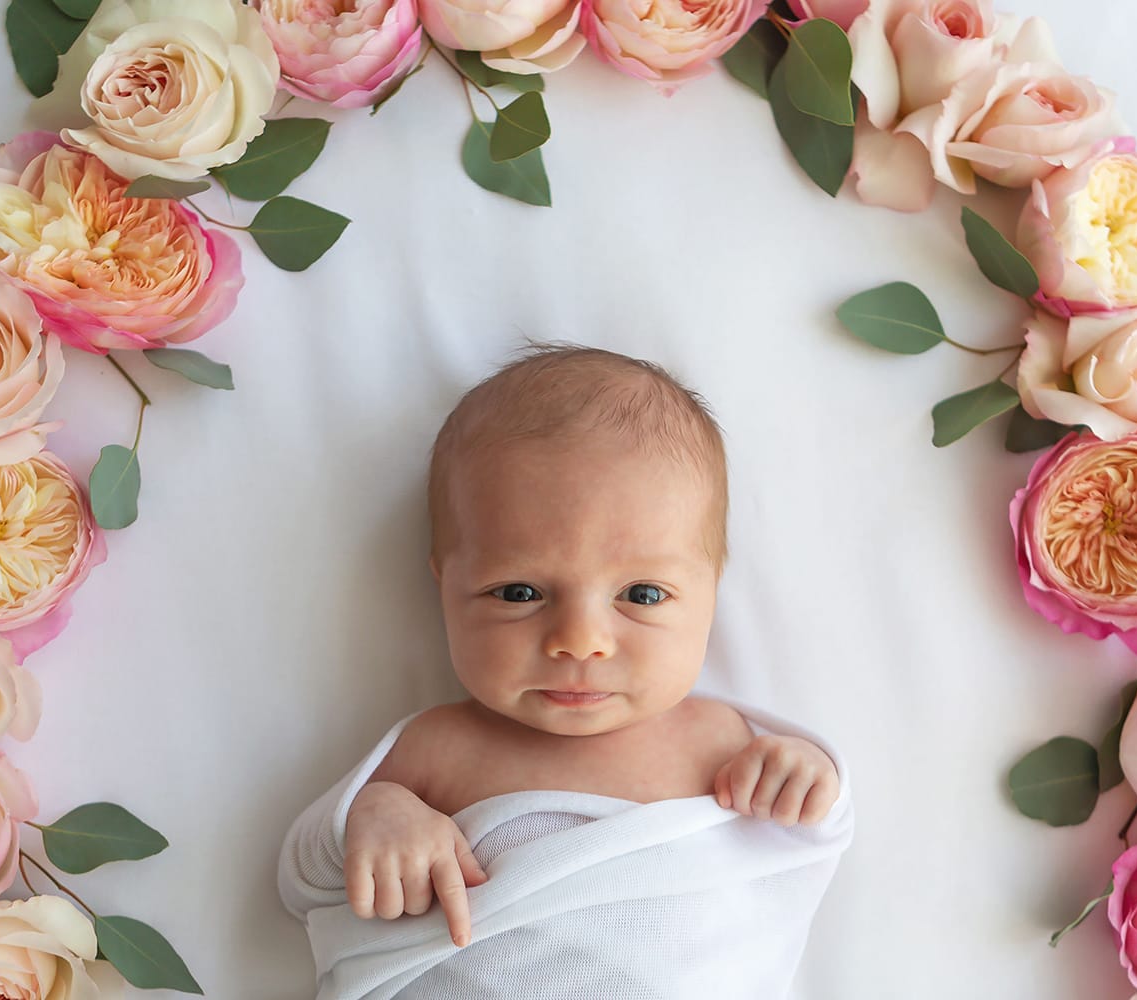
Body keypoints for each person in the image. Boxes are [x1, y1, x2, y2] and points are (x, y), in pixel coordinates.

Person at [279, 344, 852, 999]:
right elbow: (304, 877)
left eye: (641, 595)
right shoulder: (437, 749)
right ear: (445, 585)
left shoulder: (725, 742)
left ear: (712, 590)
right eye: (520, 593)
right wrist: (378, 815)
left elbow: (812, 832)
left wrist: (809, 778)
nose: (579, 642)